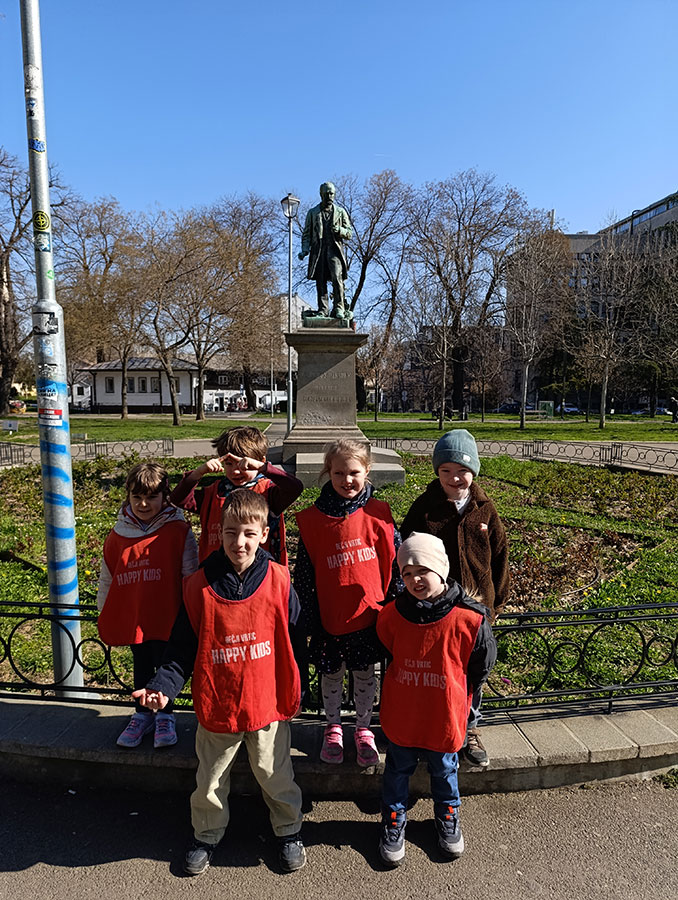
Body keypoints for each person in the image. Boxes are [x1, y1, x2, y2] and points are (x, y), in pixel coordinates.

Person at [134, 490, 306, 876]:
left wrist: (298, 688)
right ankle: (206, 834)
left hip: (266, 702)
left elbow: (295, 641)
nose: (238, 542)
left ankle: (289, 830)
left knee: (275, 775)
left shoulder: (280, 580)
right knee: (210, 780)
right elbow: (181, 648)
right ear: (219, 532)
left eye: (248, 533)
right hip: (219, 701)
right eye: (230, 532)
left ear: (264, 534)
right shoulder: (198, 586)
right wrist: (163, 687)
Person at [376, 532, 496, 867]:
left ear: (441, 570)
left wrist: (460, 694)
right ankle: (393, 818)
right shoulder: (392, 615)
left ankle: (447, 814)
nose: (415, 579)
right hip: (404, 712)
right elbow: (389, 649)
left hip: (444, 714)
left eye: (422, 571)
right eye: (406, 573)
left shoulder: (469, 619)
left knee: (445, 770)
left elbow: (481, 664)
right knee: (396, 770)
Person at [399, 429, 509, 768]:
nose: (454, 478)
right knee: (439, 671)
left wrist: (496, 603)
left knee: (473, 672)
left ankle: (470, 727)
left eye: (462, 470)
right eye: (445, 470)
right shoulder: (425, 508)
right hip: (437, 606)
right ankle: (432, 726)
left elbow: (500, 556)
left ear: (473, 471)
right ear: (437, 471)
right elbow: (407, 550)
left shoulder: (485, 510)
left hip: (476, 607)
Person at [294, 439, 401, 767]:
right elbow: (305, 574)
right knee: (331, 675)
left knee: (365, 674)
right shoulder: (312, 520)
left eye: (354, 472)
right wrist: (307, 617)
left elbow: (395, 561)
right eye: (338, 473)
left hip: (369, 615)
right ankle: (333, 726)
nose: (347, 480)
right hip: (330, 617)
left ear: (367, 471)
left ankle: (363, 728)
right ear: (328, 472)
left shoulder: (379, 513)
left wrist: (395, 605)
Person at [97, 462, 198, 749]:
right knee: (141, 664)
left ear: (165, 496)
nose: (143, 504)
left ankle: (165, 715)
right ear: (127, 495)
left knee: (166, 667)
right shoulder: (118, 535)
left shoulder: (178, 530)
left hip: (169, 616)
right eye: (137, 496)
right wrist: (104, 612)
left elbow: (190, 574)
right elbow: (107, 577)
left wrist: (193, 613)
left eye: (152, 497)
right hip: (136, 617)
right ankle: (142, 715)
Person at [169, 425, 303, 565]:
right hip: (216, 571)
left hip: (260, 571)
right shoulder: (213, 493)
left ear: (259, 461)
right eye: (229, 464)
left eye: (242, 464)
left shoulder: (268, 492)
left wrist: (263, 468)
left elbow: (294, 487)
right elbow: (178, 498)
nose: (235, 471)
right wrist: (198, 473)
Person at [298, 181, 352, 318]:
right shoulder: (312, 213)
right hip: (319, 252)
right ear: (321, 194)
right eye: (327, 193)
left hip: (335, 251)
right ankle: (323, 309)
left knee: (337, 279)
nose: (329, 196)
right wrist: (305, 250)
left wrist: (340, 230)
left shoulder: (340, 212)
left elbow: (349, 233)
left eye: (331, 193)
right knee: (320, 281)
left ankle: (339, 307)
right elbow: (306, 234)